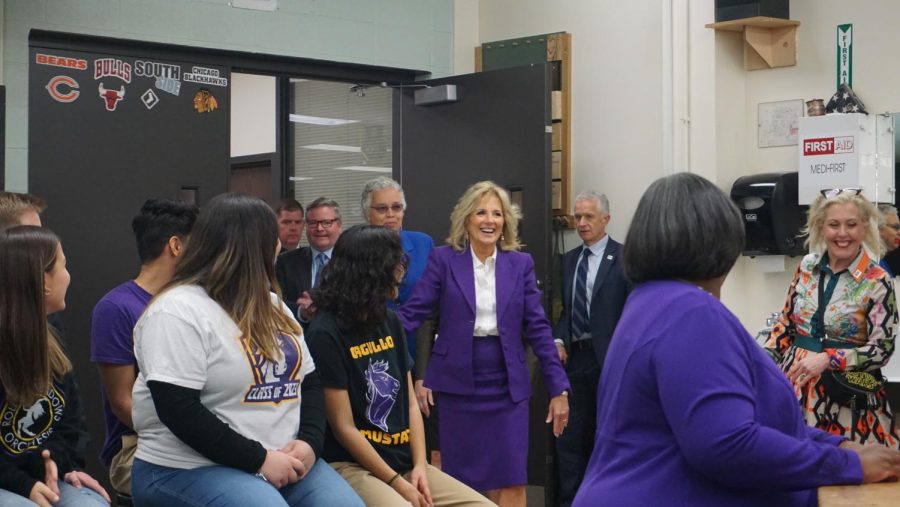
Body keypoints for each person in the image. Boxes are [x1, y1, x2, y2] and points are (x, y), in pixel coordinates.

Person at [572, 173, 900, 507]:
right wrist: (845, 464)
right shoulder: (692, 313)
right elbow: (727, 444)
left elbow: (741, 420)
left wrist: (837, 447)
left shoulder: (649, 301)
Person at [129, 193, 363, 507]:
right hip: (187, 468)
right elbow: (179, 410)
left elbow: (309, 382)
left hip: (281, 459)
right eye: (274, 237)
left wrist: (309, 442)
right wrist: (259, 460)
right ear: (257, 248)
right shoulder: (177, 310)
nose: (280, 245)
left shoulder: (274, 305)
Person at [398, 180, 570, 506]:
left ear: (506, 221)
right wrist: (368, 332)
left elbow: (538, 328)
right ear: (466, 219)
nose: (490, 220)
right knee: (462, 482)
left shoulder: (520, 264)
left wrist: (558, 389)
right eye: (481, 212)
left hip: (507, 387)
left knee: (511, 477)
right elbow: (413, 313)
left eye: (497, 213)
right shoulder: (443, 260)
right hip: (457, 385)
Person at [305, 225, 492, 507]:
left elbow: (411, 405)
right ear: (370, 271)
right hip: (352, 465)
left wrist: (420, 466)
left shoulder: (389, 320)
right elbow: (343, 427)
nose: (401, 272)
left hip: (404, 461)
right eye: (394, 264)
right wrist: (396, 483)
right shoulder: (325, 332)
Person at [766, 189, 900, 448]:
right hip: (795, 389)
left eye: (851, 225)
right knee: (791, 468)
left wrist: (830, 358)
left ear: (864, 227)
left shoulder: (877, 280)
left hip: (848, 398)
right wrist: (763, 364)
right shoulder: (806, 267)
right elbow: (785, 323)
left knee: (849, 474)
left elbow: (882, 349)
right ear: (820, 227)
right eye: (833, 224)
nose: (842, 234)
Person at [90, 197, 198, 496]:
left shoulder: (195, 302)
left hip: (194, 436)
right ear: (176, 246)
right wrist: (196, 436)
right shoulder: (116, 308)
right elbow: (123, 402)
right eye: (198, 245)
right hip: (139, 446)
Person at [0, 226, 111, 507]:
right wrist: (24, 485)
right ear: (43, 281)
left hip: (39, 475)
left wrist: (53, 461)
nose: (68, 276)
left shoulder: (51, 334)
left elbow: (71, 424)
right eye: (64, 266)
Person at [553, 190, 629, 507]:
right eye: (578, 217)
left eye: (588, 217)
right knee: (569, 437)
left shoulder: (625, 258)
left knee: (607, 433)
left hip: (609, 360)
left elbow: (632, 310)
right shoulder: (567, 261)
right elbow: (561, 311)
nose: (581, 223)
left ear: (606, 220)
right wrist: (557, 339)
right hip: (574, 359)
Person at [359, 176, 441, 466]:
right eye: (381, 209)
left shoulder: (423, 243)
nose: (390, 215)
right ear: (367, 212)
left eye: (396, 207)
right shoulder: (357, 248)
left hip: (418, 349)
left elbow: (434, 302)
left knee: (428, 431)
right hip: (374, 353)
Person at [276, 197, 343, 326]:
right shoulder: (284, 262)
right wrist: (301, 311)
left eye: (326, 222)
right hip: (299, 337)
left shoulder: (351, 262)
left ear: (339, 225)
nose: (319, 228)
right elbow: (276, 301)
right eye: (313, 223)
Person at [878, 204, 900, 276]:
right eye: (895, 227)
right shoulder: (874, 261)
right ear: (878, 228)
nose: (899, 233)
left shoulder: (881, 260)